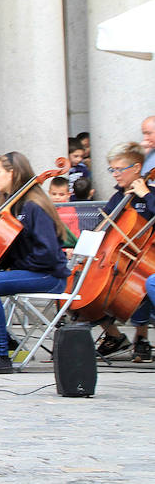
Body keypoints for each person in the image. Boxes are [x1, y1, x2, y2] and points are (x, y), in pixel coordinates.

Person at [0, 152, 70, 374]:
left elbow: (47, 254)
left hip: (49, 276)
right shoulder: (14, 205)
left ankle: (1, 355)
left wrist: (17, 266)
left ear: (13, 173)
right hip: (31, 270)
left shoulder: (33, 206)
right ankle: (8, 342)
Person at [92, 142, 154, 362]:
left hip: (146, 258)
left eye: (119, 169)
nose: (115, 174)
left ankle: (142, 338)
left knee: (140, 281)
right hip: (120, 258)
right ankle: (114, 336)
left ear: (137, 168)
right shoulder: (118, 198)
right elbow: (102, 224)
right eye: (112, 170)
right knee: (89, 290)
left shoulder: (150, 194)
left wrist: (146, 194)